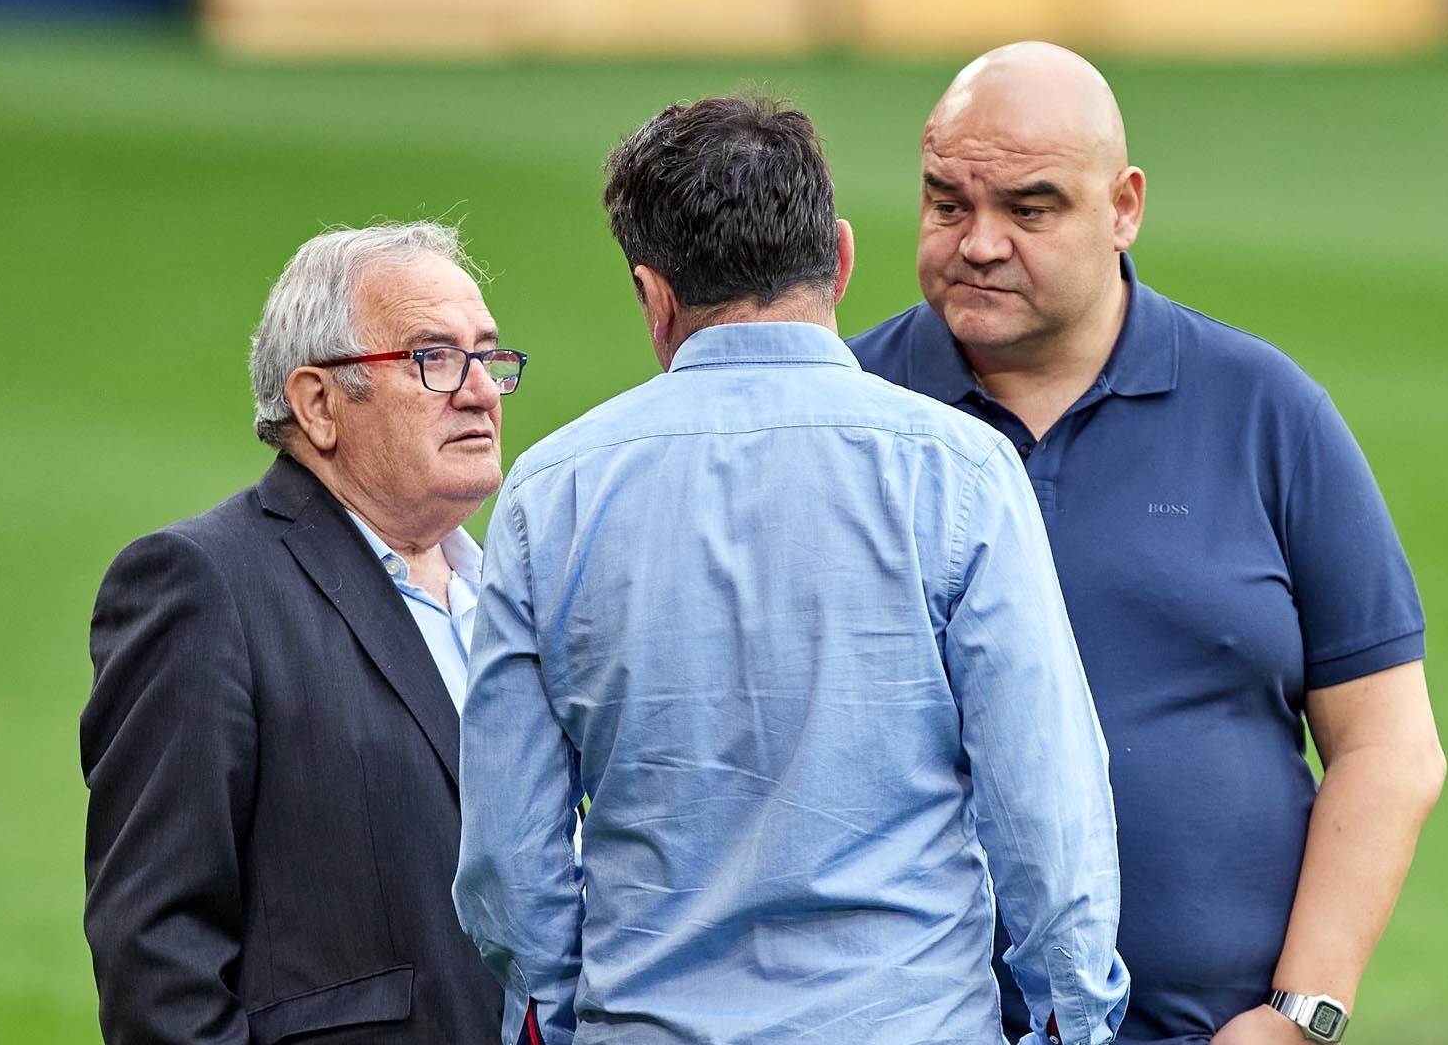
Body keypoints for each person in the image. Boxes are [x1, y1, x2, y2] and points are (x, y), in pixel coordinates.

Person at [452, 95, 1127, 1045]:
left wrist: (567, 1020)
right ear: (842, 257)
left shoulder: (550, 493)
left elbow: (509, 853)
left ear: (654, 293)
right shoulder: (961, 471)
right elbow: (1046, 802)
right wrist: (1074, 1019)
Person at [848, 43, 1448, 1045]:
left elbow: (1389, 744)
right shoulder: (845, 417)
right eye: (948, 203)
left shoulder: (1266, 412)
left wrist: (1298, 1016)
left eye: (1029, 209)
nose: (979, 242)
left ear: (1123, 208)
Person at [81, 222, 524, 1044]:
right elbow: (157, 959)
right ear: (318, 402)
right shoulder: (204, 586)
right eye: (433, 358)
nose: (481, 392)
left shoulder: (510, 590)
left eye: (489, 358)